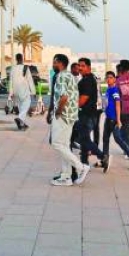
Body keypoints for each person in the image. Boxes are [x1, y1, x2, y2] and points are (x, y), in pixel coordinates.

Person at [50, 54, 91, 187]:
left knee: (56, 143)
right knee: (64, 145)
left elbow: (63, 97)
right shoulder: (70, 76)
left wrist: (57, 112)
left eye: (54, 62)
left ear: (59, 63)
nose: (53, 64)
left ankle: (81, 167)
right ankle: (66, 176)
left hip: (63, 115)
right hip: (71, 116)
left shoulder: (61, 76)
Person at [102, 71, 129, 170]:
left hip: (113, 119)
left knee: (113, 139)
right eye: (107, 77)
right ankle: (106, 159)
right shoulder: (108, 90)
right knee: (110, 139)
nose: (108, 79)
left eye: (110, 77)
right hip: (108, 118)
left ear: (114, 79)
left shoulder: (114, 90)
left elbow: (118, 105)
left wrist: (118, 120)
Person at [73, 59, 106, 168]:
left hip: (87, 115)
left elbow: (83, 99)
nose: (80, 68)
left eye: (83, 66)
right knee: (84, 139)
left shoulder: (86, 81)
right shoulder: (90, 78)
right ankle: (84, 163)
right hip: (90, 114)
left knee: (83, 139)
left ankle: (102, 156)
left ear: (89, 67)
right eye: (79, 66)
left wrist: (71, 108)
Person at [8, 53, 34, 130]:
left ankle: (21, 124)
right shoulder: (25, 67)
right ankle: (19, 118)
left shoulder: (13, 68)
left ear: (16, 59)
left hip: (16, 90)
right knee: (26, 104)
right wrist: (33, 91)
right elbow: (30, 80)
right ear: (22, 58)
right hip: (24, 89)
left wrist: (11, 93)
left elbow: (11, 81)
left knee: (21, 107)